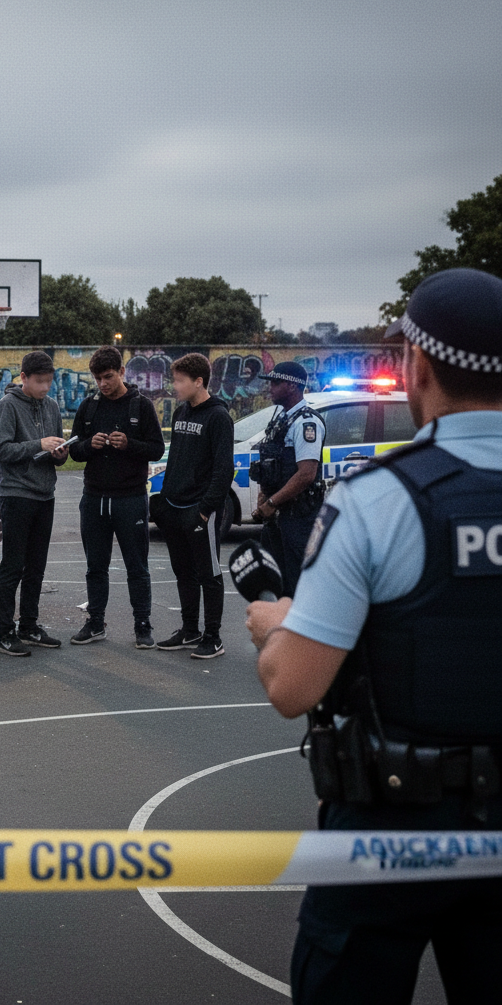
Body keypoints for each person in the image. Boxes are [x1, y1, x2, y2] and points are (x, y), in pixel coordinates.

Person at [245, 267, 502, 1005]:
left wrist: (278, 621)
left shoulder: (380, 500)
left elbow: (293, 688)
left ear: (416, 366)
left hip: (393, 818)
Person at [69, 346, 165, 648]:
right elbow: (74, 449)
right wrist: (89, 446)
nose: (103, 384)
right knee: (95, 566)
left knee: (137, 566)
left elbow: (157, 449)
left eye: (108, 377)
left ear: (122, 372)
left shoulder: (141, 406)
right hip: (94, 497)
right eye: (97, 378)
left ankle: (142, 625)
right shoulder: (89, 406)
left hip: (130, 498)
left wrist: (129, 444)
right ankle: (95, 622)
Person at [155, 352, 234, 659]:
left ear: (198, 381)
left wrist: (205, 508)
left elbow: (223, 468)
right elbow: (177, 460)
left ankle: (213, 637)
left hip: (200, 509)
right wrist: (164, 499)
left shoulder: (218, 417)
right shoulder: (181, 413)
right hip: (174, 506)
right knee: (183, 571)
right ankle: (190, 630)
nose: (174, 386)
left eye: (179, 381)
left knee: (208, 573)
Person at [0, 350, 69, 656]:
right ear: (23, 378)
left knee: (36, 566)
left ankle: (30, 625)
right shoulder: (7, 406)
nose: (45, 387)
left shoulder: (51, 406)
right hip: (17, 494)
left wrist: (60, 453)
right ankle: (5, 632)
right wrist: (38, 444)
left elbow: (56, 452)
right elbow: (0, 450)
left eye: (49, 381)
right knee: (13, 566)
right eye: (39, 382)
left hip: (45, 493)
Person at [251, 361, 326, 596]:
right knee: (274, 585)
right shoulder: (282, 419)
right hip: (277, 520)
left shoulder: (306, 423)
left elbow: (306, 474)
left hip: (298, 518)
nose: (269, 388)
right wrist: (264, 497)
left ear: (292, 386)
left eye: (275, 382)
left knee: (296, 587)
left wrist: (272, 504)